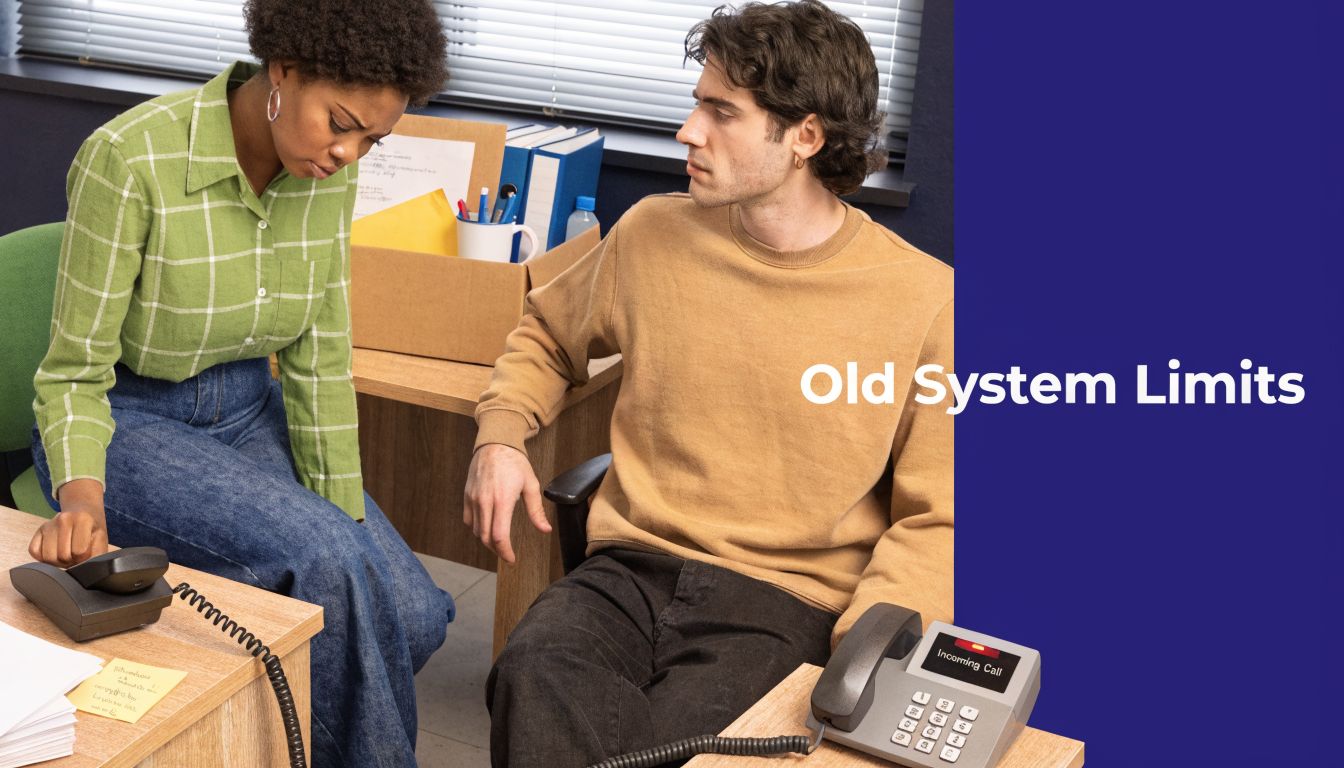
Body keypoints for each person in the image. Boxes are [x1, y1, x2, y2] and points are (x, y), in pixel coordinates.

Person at [463, 1, 954, 765]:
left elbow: (938, 518)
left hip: (783, 598)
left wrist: (866, 650)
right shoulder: (652, 233)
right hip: (630, 566)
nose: (689, 130)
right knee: (529, 676)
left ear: (806, 138)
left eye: (721, 112)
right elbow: (547, 337)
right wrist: (500, 439)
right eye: (697, 104)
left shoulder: (926, 300)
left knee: (681, 750)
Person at [26, 1, 452, 765]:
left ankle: (279, 736)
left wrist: (339, 511)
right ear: (282, 71)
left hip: (245, 408)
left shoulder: (325, 173)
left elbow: (319, 353)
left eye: (373, 140)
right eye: (341, 123)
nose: (350, 154)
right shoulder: (130, 159)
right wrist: (80, 497)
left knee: (411, 615)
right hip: (130, 420)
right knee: (327, 566)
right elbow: (72, 372)